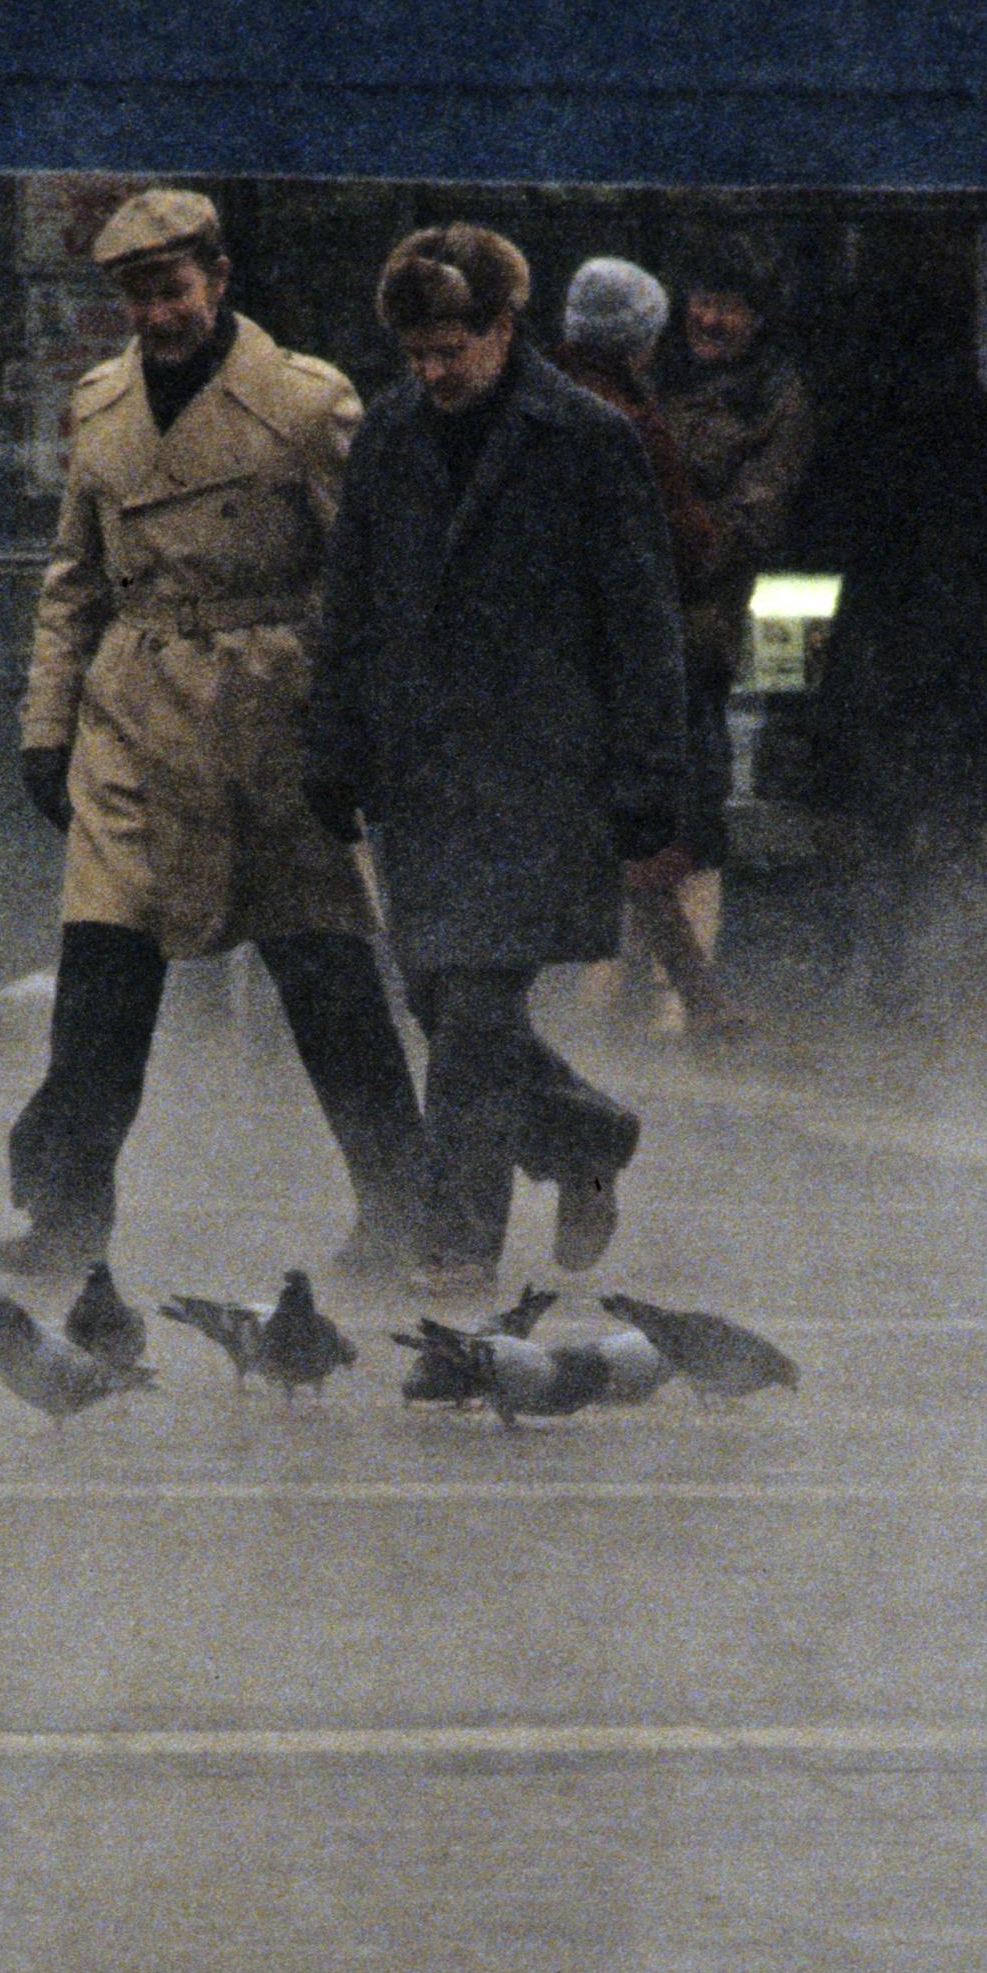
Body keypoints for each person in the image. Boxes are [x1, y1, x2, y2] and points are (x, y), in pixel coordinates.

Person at [2, 186, 421, 1282]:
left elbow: (372, 577)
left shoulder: (303, 403)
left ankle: (400, 1211)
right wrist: (47, 726)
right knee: (100, 983)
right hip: (134, 717)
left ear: (219, 279)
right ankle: (66, 1220)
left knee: (328, 979)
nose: (157, 316)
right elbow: (72, 582)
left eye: (173, 290)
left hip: (272, 720)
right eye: (137, 298)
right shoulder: (101, 406)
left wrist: (356, 733)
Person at [306, 224, 686, 1299]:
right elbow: (352, 604)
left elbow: (641, 620)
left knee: (472, 1007)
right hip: (421, 774)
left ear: (504, 327)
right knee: (441, 1000)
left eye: (450, 350)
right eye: (415, 354)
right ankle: (585, 1135)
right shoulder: (389, 434)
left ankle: (459, 1240)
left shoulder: (586, 438)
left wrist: (649, 779)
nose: (432, 372)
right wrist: (334, 744)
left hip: (540, 774)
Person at [795, 296, 987, 1018]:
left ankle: (889, 973)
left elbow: (826, 518)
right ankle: (966, 974)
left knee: (884, 824)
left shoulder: (866, 424)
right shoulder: (983, 422)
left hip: (883, 635)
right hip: (964, 634)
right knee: (957, 817)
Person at [549, 255, 744, 1044]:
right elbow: (683, 539)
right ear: (637, 339)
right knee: (656, 833)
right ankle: (683, 1004)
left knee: (614, 834)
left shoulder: (540, 402)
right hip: (628, 653)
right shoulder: (627, 418)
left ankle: (649, 1002)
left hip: (565, 655)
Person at [659, 237, 816, 1011]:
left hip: (696, 638)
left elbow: (754, 519)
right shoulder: (651, 378)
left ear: (759, 319)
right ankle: (620, 1000)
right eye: (702, 301)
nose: (710, 320)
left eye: (729, 307)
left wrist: (657, 554)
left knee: (691, 818)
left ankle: (680, 1005)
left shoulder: (777, 399)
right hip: (634, 636)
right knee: (629, 819)